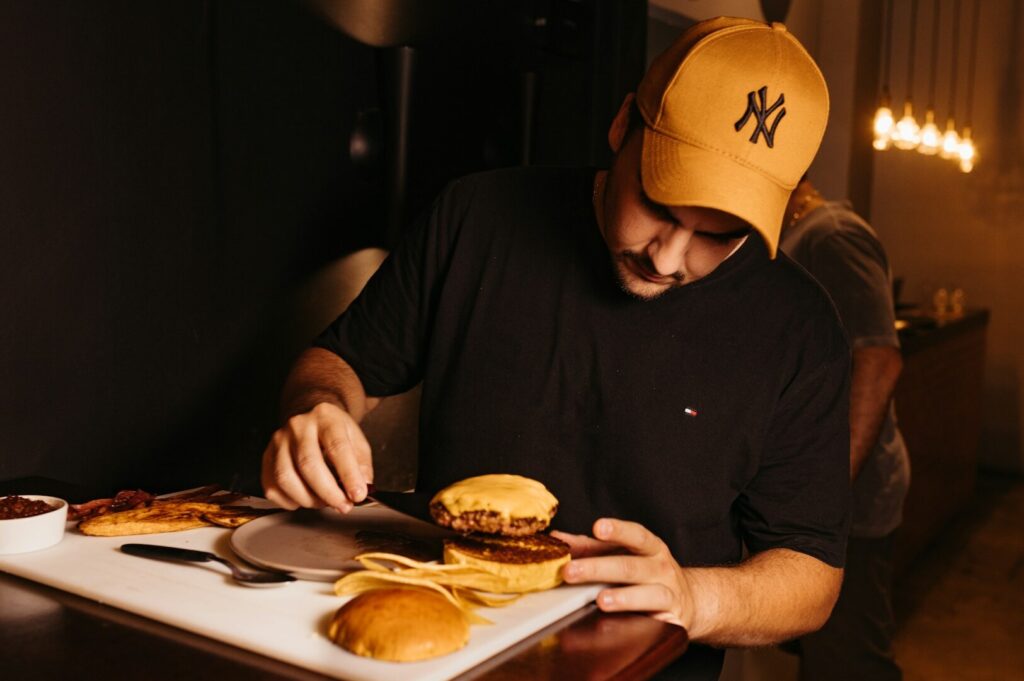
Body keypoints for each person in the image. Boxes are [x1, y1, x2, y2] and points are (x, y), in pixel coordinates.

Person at [262, 17, 850, 677]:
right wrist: (319, 411)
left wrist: (695, 594)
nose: (668, 256)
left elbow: (811, 574)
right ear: (623, 124)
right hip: (447, 653)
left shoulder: (802, 330)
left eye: (721, 234)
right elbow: (340, 363)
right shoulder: (476, 218)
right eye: (659, 203)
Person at [779, 177, 910, 681]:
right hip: (820, 496)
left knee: (850, 661)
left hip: (851, 500)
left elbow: (878, 361)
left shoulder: (833, 236)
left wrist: (831, 495)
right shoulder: (803, 233)